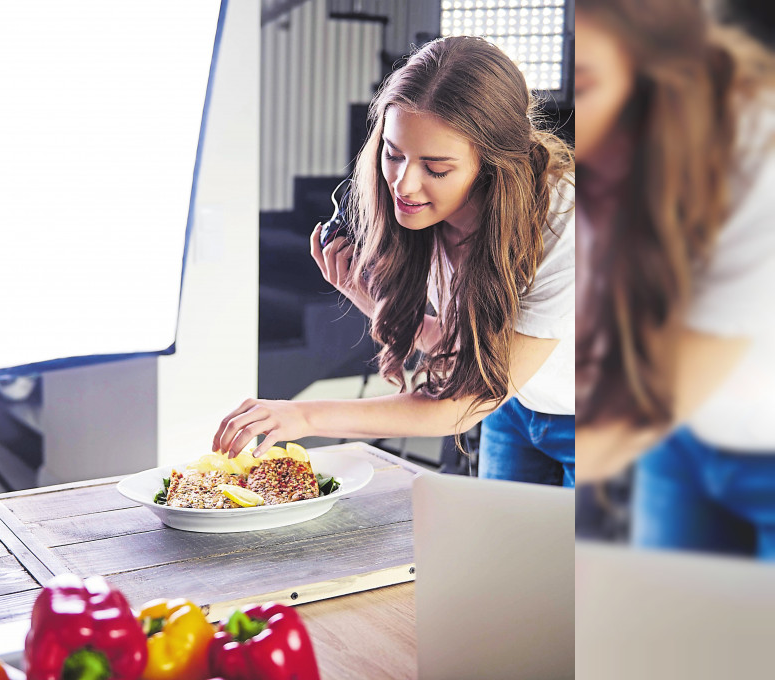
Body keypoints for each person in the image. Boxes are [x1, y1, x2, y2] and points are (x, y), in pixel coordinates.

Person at [213, 36, 577, 486]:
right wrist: (371, 299)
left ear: (493, 164)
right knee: (509, 554)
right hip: (517, 407)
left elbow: (465, 401)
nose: (403, 185)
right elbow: (472, 352)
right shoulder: (430, 215)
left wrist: (304, 417)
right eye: (393, 153)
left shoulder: (569, 227)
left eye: (436, 169)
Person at [574, 0, 775, 559]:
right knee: (670, 639)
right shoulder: (591, 166)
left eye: (583, 87)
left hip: (750, 440)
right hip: (681, 443)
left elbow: (654, 399)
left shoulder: (757, 150)